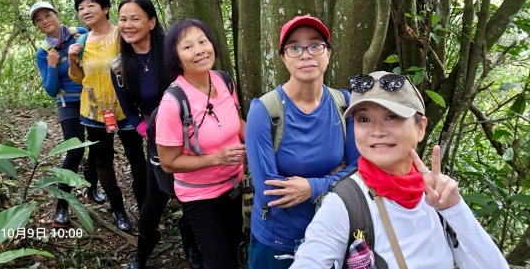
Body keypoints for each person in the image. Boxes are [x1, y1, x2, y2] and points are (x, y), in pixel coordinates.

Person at [290, 71, 509, 268]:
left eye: (391, 117)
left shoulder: (436, 195)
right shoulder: (345, 204)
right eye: (364, 119)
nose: (377, 131)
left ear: (421, 127)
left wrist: (454, 209)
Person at [245, 15, 360, 269]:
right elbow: (268, 192)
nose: (306, 54)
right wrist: (334, 180)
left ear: (328, 53)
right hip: (279, 240)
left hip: (333, 232)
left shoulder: (344, 104)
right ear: (283, 57)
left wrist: (311, 187)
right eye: (295, 47)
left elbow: (359, 169)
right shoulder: (265, 111)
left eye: (315, 45)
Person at [108, 0, 202, 269]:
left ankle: (191, 243)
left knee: (194, 194)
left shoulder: (173, 54)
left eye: (135, 18)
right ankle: (141, 255)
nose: (128, 25)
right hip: (158, 140)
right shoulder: (118, 66)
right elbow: (129, 109)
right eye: (123, 19)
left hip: (193, 134)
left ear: (151, 22)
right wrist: (146, 131)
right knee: (154, 202)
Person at [156, 19, 245, 269]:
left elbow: (236, 123)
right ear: (176, 58)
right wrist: (217, 158)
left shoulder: (223, 80)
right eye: (188, 47)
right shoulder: (173, 103)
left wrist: (267, 144)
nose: (199, 50)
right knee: (219, 263)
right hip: (201, 197)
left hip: (236, 186)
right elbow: (168, 162)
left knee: (237, 250)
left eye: (203, 41)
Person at [68, 0, 147, 232]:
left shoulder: (121, 35)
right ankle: (118, 210)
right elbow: (79, 79)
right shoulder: (81, 42)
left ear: (105, 8)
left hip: (126, 110)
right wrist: (72, 59)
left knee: (137, 160)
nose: (85, 11)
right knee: (103, 162)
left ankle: (145, 208)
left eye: (90, 5)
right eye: (80, 8)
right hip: (93, 111)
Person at [30, 1, 105, 228]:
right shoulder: (44, 53)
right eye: (39, 19)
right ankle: (62, 204)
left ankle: (92, 186)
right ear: (37, 26)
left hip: (91, 97)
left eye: (47, 15)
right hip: (68, 102)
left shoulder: (80, 34)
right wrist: (52, 66)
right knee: (74, 148)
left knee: (97, 145)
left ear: (56, 14)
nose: (45, 21)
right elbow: (51, 90)